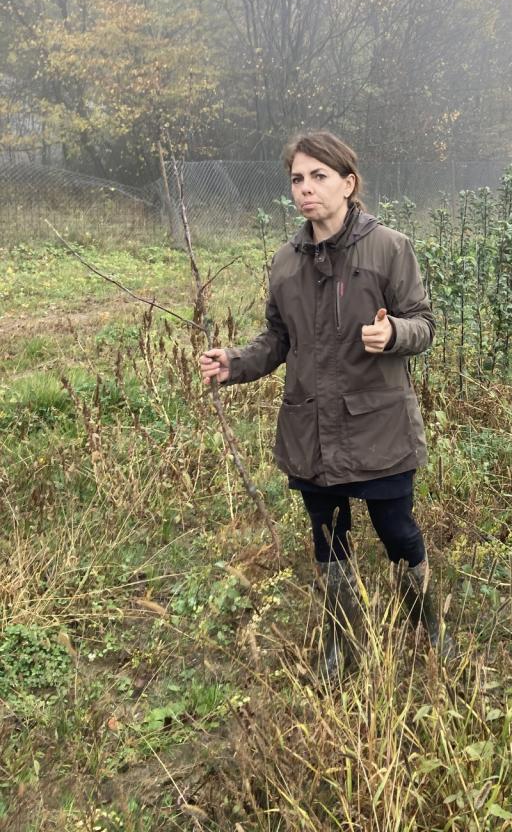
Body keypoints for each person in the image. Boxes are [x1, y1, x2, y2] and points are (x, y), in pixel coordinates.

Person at [199, 131, 454, 676]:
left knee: (396, 531)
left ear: (348, 183)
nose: (306, 189)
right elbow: (277, 339)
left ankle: (430, 631)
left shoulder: (389, 248)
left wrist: (395, 334)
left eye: (319, 176)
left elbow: (425, 323)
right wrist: (234, 363)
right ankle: (341, 646)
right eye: (297, 179)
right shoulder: (284, 262)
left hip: (378, 426)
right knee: (328, 539)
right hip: (311, 429)